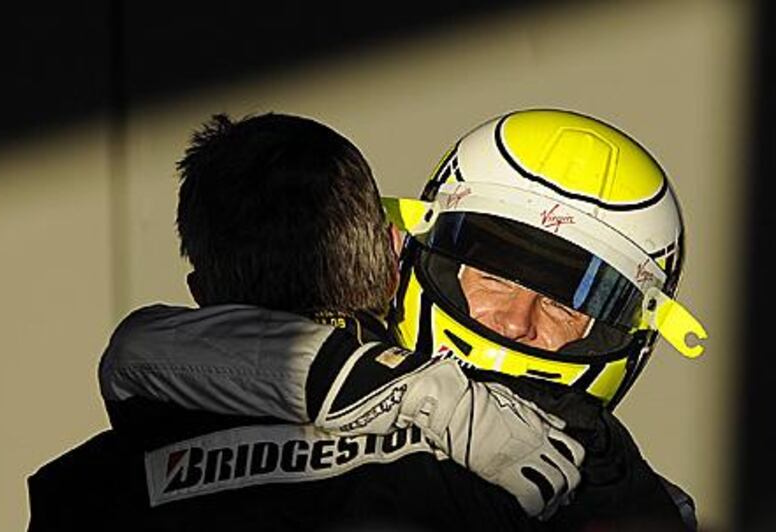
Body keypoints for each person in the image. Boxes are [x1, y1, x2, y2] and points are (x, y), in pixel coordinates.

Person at [96, 110, 707, 530]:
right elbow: (139, 352)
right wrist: (420, 393)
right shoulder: (239, 395)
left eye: (566, 303)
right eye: (495, 276)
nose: (517, 322)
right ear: (406, 253)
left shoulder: (608, 484)